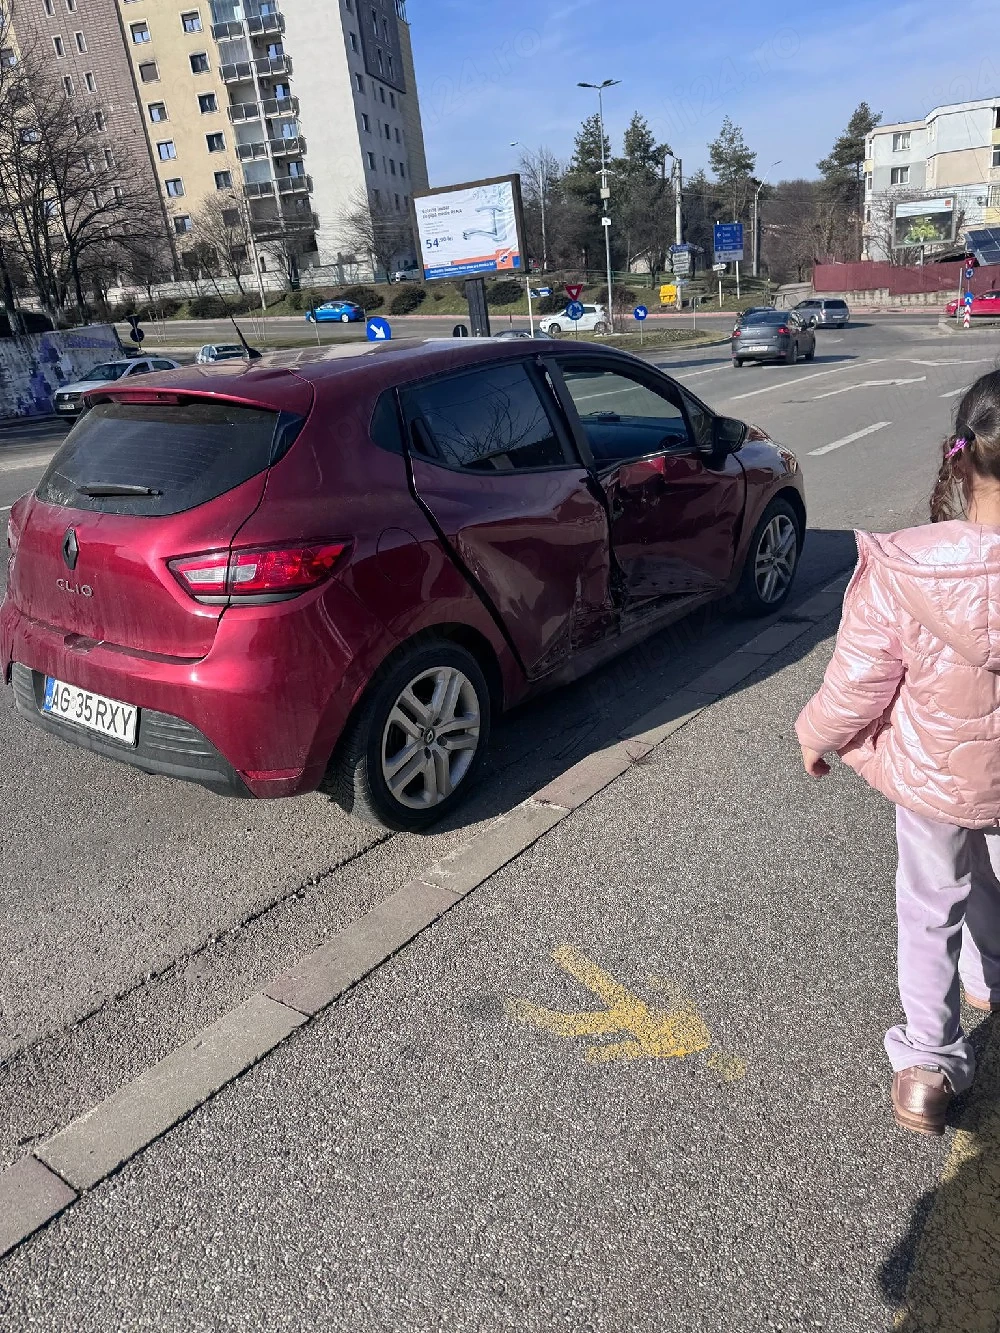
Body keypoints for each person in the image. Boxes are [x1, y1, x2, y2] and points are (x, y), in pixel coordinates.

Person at [796, 370, 1000, 1137]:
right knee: (991, 868)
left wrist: (815, 735)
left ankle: (928, 1063)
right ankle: (994, 974)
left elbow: (858, 683)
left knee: (930, 902)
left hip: (934, 775)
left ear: (961, 461)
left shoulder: (907, 566)